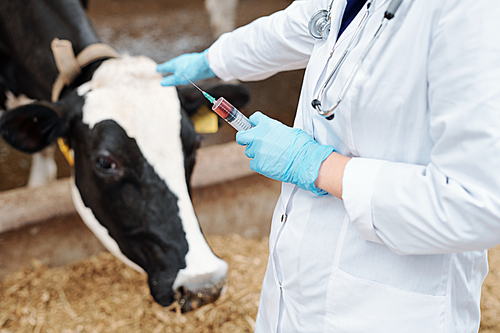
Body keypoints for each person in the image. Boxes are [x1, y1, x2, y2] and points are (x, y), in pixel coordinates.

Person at [156, 0, 500, 331]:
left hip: (387, 308)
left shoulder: (470, 13)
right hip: (294, 292)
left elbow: (477, 205)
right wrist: (212, 60)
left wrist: (319, 166)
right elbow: (298, 24)